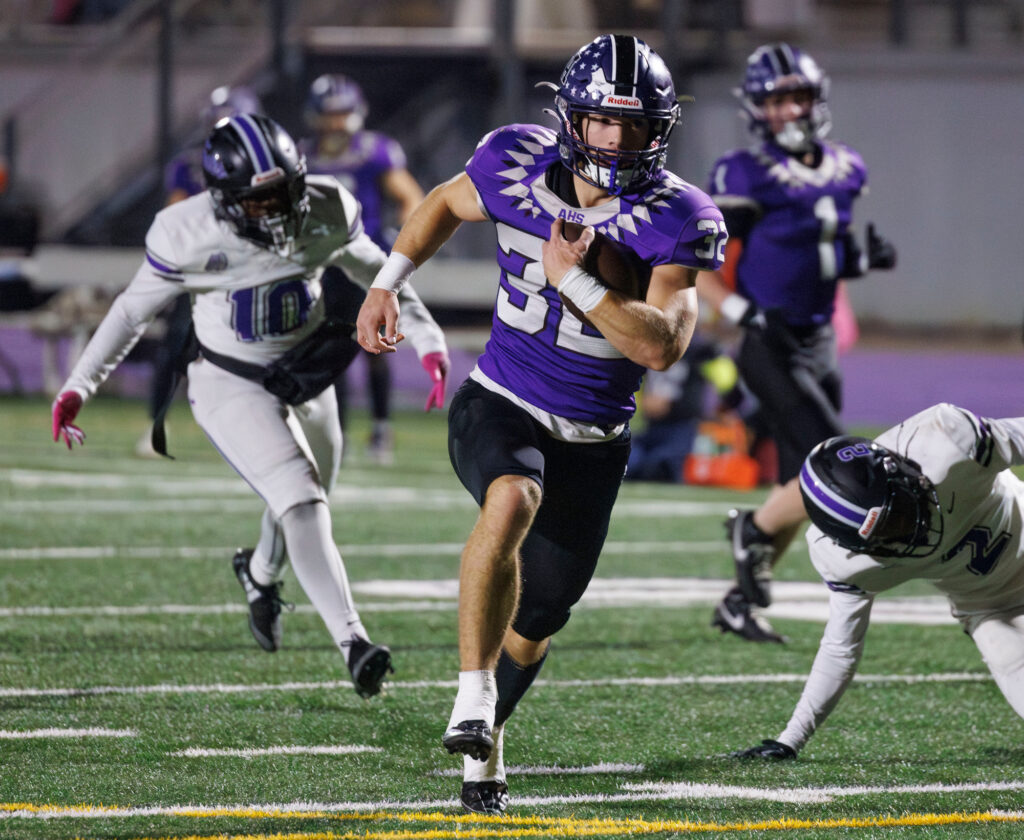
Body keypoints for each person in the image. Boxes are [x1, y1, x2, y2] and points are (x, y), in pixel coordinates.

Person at [356, 34, 726, 815]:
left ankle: (485, 743)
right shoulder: (512, 160)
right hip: (500, 397)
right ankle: (470, 692)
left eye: (634, 125)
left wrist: (576, 285)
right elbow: (441, 204)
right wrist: (388, 282)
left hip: (594, 439)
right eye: (601, 122)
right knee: (512, 497)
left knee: (539, 618)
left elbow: (662, 345)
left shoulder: (680, 215)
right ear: (570, 118)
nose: (617, 140)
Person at [50, 114, 450, 699]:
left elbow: (380, 274)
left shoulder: (325, 206)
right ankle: (354, 643)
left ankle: (260, 573)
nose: (278, 206)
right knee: (301, 497)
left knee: (312, 492)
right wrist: (80, 384)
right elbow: (133, 313)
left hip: (304, 370)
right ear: (226, 200)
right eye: (259, 199)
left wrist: (430, 341)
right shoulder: (187, 233)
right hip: (229, 379)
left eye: (284, 190)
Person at [697, 43, 897, 643]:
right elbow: (697, 261)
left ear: (817, 99)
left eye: (798, 96)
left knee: (804, 485)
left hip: (818, 337)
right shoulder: (743, 172)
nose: (789, 109)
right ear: (758, 107)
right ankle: (751, 533)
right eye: (777, 98)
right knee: (832, 463)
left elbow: (813, 252)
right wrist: (742, 312)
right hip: (767, 338)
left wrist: (860, 259)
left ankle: (737, 601)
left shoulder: (846, 166)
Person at [731, 403, 1024, 759]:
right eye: (888, 530)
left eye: (900, 510)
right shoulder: (843, 561)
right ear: (851, 543)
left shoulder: (947, 439)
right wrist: (790, 739)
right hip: (992, 608)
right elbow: (840, 649)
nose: (909, 526)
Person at [302, 73, 427, 464]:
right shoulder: (301, 155)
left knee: (374, 347)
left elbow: (411, 198)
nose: (337, 122)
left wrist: (402, 246)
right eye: (330, 114)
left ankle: (380, 429)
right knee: (329, 347)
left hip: (364, 261)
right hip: (322, 264)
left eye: (342, 113)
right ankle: (337, 431)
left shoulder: (375, 151)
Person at [136, 85, 265, 458]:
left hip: (257, 270)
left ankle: (263, 430)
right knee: (176, 346)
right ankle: (156, 425)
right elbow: (174, 218)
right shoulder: (191, 165)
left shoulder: (272, 162)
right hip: (205, 270)